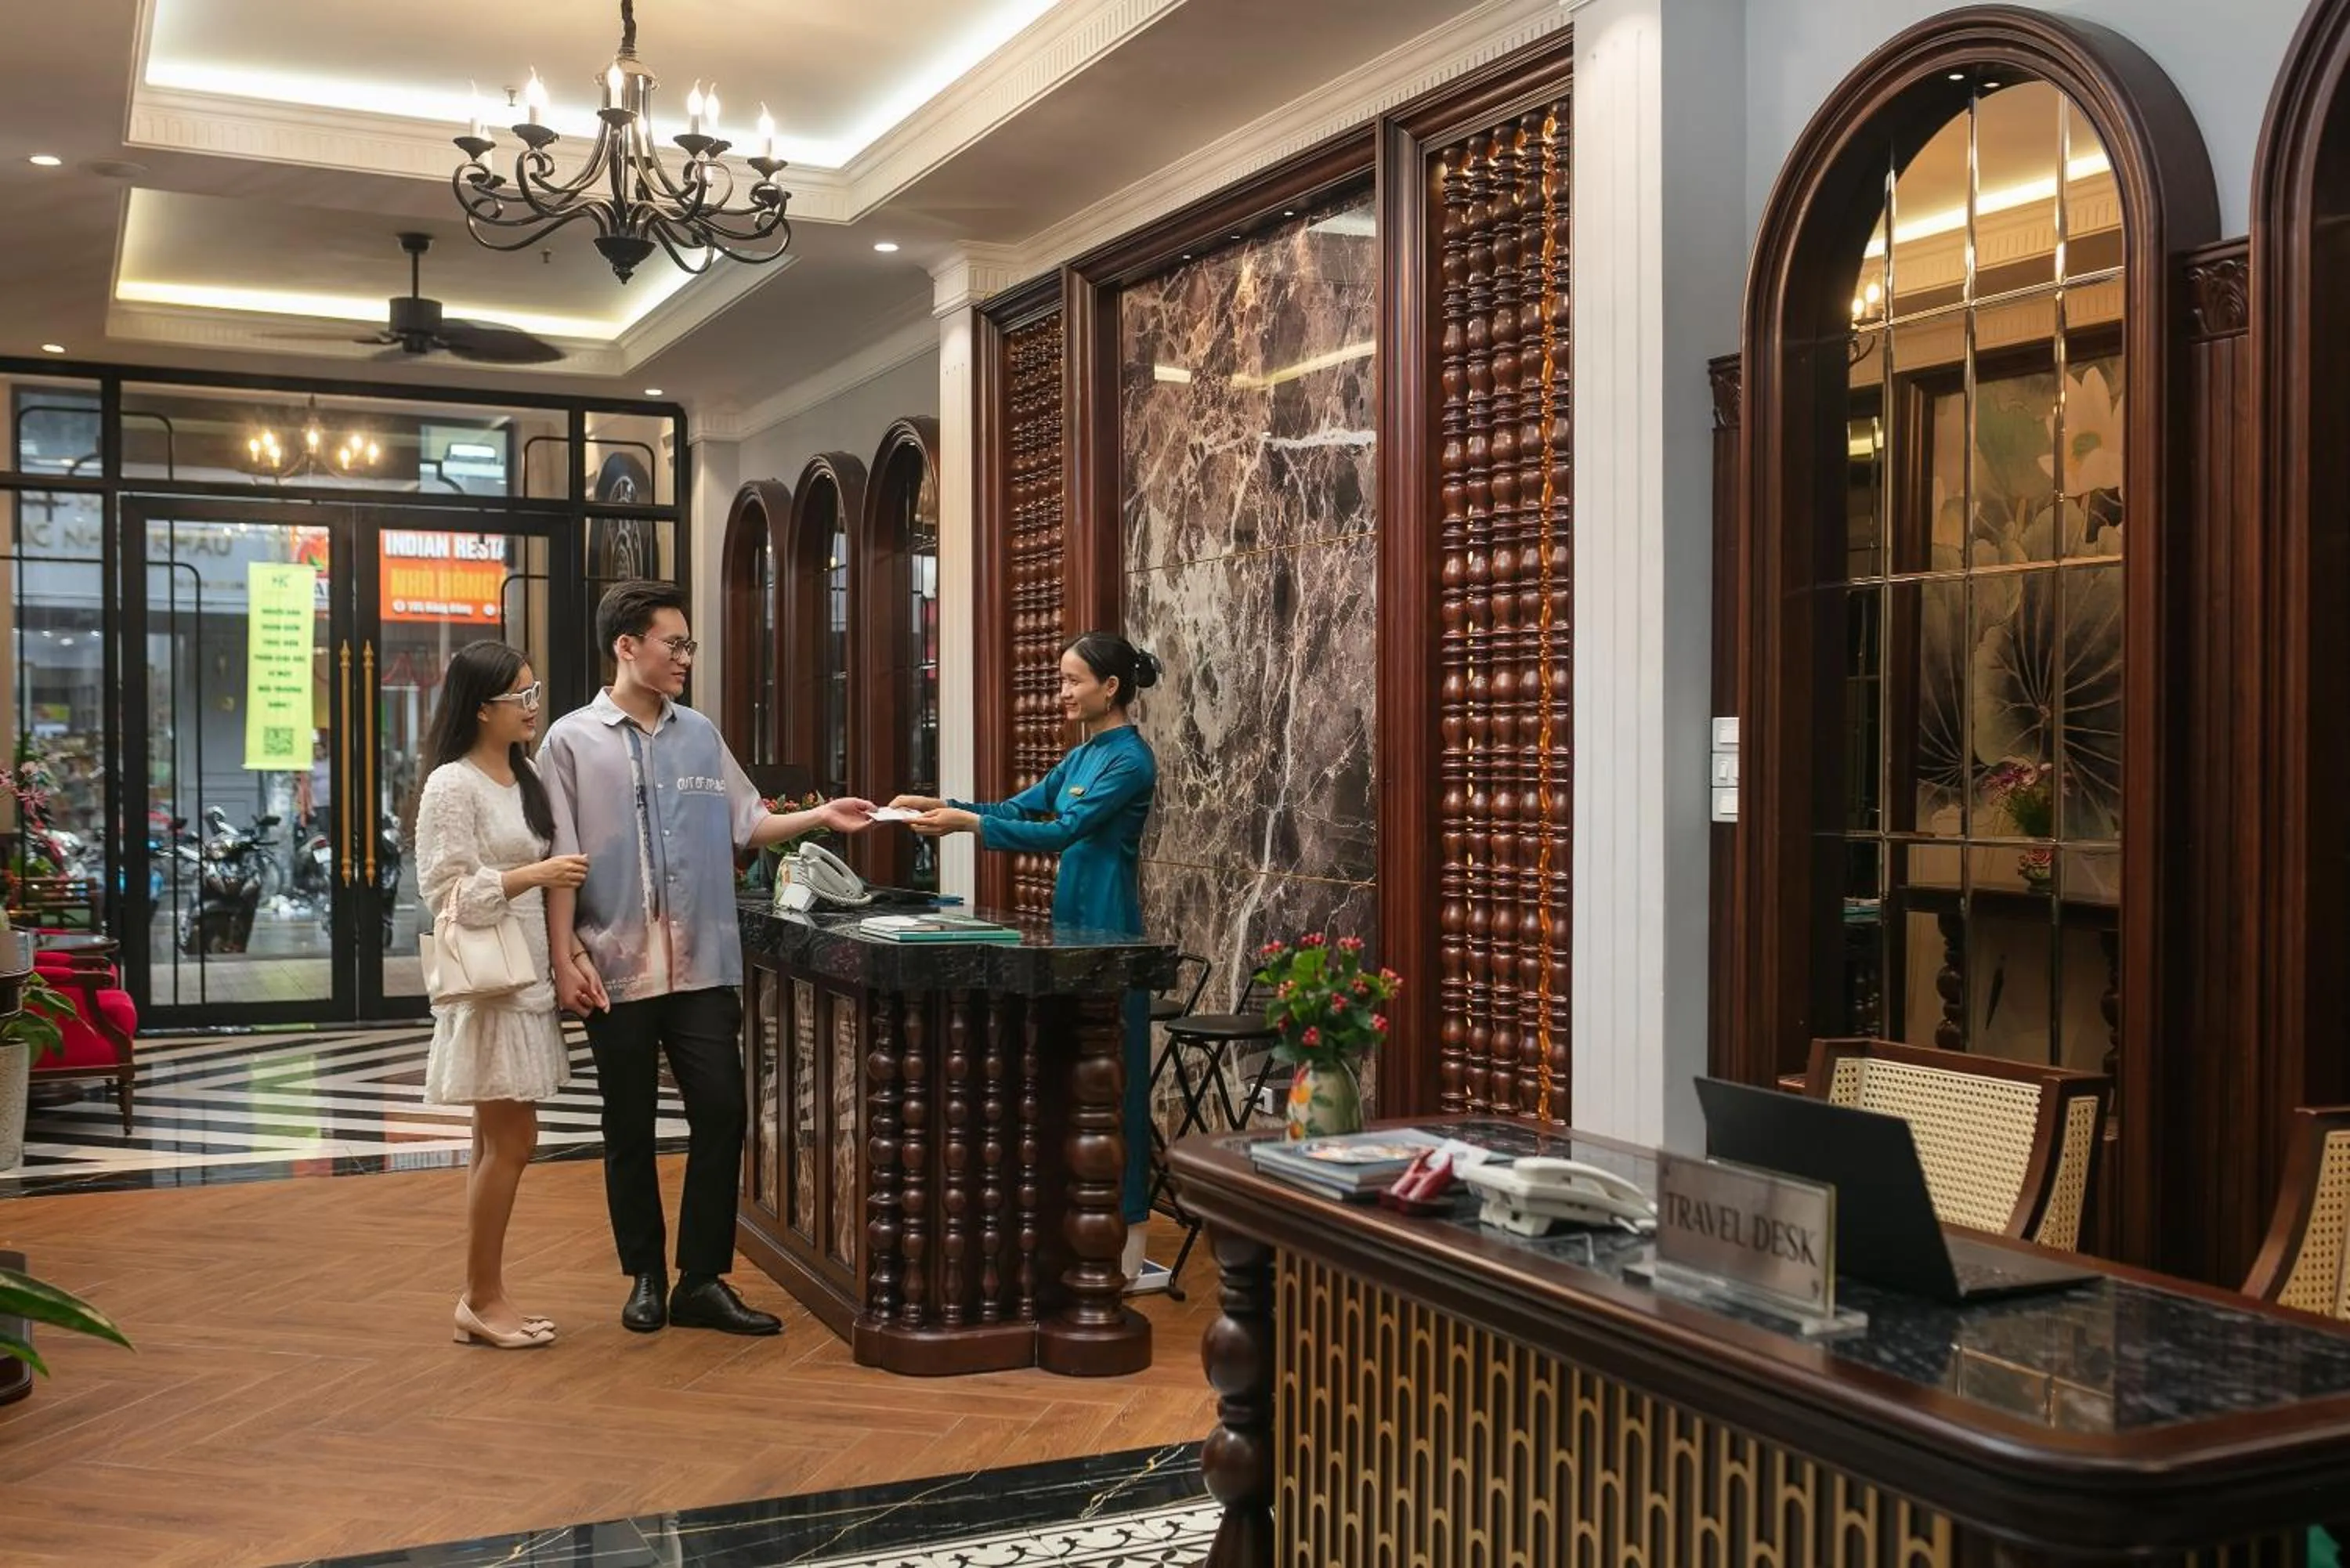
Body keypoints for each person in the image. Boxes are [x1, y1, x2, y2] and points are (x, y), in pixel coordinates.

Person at [541, 580, 876, 1337]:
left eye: (688, 645)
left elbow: (747, 819)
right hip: (613, 966)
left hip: (701, 967)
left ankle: (701, 1278)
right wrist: (564, 957)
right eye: (676, 644)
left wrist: (820, 815)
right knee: (627, 1125)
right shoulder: (569, 740)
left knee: (723, 1113)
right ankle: (646, 1277)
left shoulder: (699, 733)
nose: (687, 657)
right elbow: (560, 857)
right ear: (628, 647)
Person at [890, 630, 1162, 1281]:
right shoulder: (1081, 757)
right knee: (1071, 1079)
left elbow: (1065, 830)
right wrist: (945, 806)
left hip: (1110, 931)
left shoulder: (1130, 761)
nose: (1061, 692)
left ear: (1111, 688)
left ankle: (1123, 1252)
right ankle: (1072, 1235)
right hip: (1071, 930)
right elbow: (1018, 809)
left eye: (1072, 681)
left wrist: (969, 826)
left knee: (1113, 1089)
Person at [410, 641, 590, 1350]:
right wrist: (532, 874)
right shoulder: (451, 786)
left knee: (493, 1141)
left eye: (535, 689)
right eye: (521, 693)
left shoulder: (525, 776)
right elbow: (445, 896)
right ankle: (482, 1297)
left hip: (529, 976)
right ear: (481, 707)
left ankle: (482, 1297)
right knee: (513, 1139)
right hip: (490, 984)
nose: (533, 704)